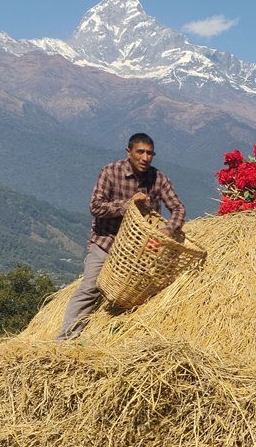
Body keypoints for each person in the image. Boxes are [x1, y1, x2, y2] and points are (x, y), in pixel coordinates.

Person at [56, 133, 185, 341]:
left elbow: (178, 208)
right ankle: (65, 340)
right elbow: (95, 207)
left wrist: (169, 229)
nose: (145, 158)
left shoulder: (158, 179)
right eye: (140, 152)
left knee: (148, 295)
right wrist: (127, 205)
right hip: (107, 242)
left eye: (150, 153)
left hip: (139, 249)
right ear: (129, 152)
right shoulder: (110, 172)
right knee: (90, 288)